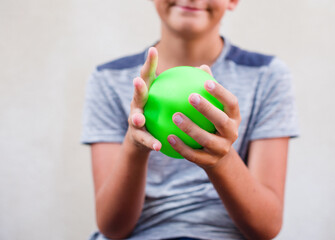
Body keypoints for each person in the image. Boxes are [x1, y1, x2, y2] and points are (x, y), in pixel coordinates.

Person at [81, 0, 299, 239]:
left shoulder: (268, 76)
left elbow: (266, 227)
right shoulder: (108, 79)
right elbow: (112, 227)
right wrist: (134, 145)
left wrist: (221, 159)